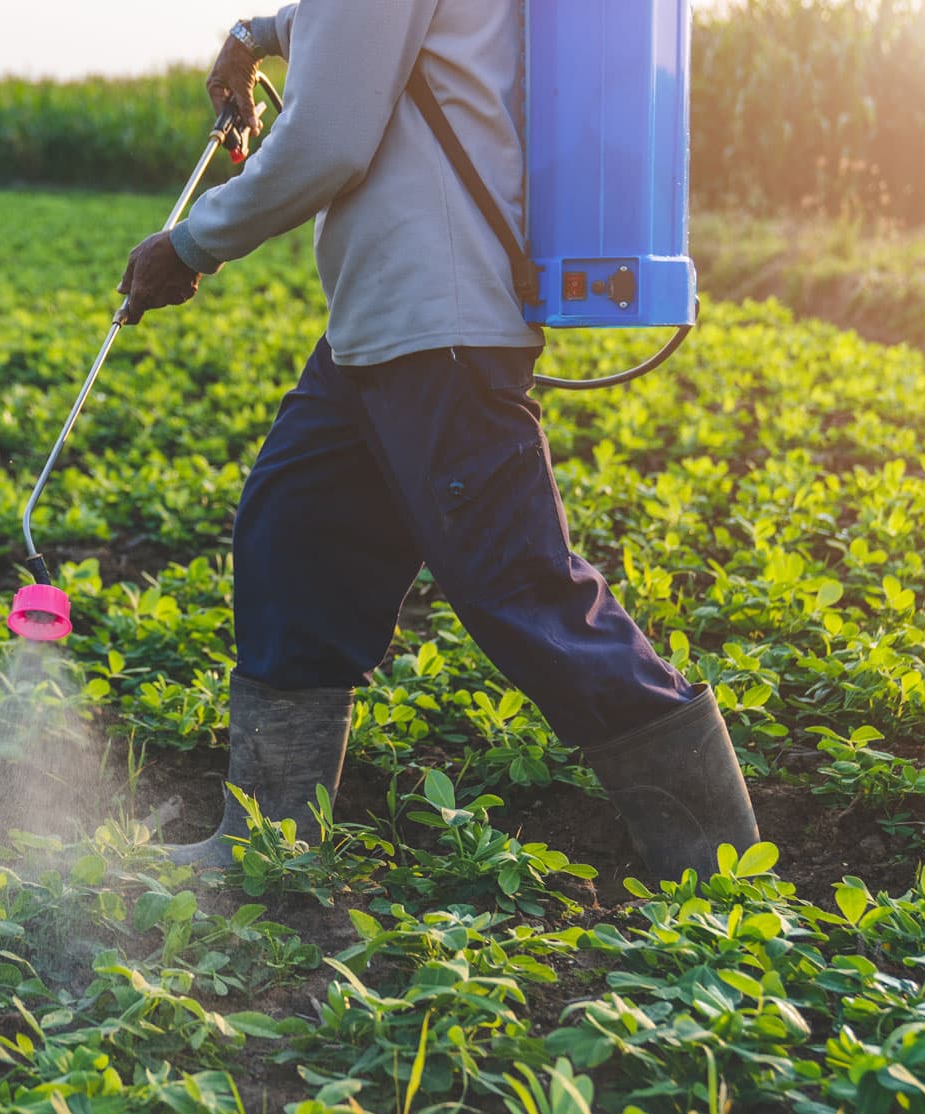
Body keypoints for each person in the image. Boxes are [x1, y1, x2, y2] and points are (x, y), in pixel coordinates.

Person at [118, 3, 758, 879]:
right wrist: (257, 36)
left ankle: (719, 862)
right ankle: (265, 849)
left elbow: (329, 138)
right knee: (293, 546)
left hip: (437, 324)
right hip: (380, 326)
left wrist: (190, 244)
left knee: (523, 592)